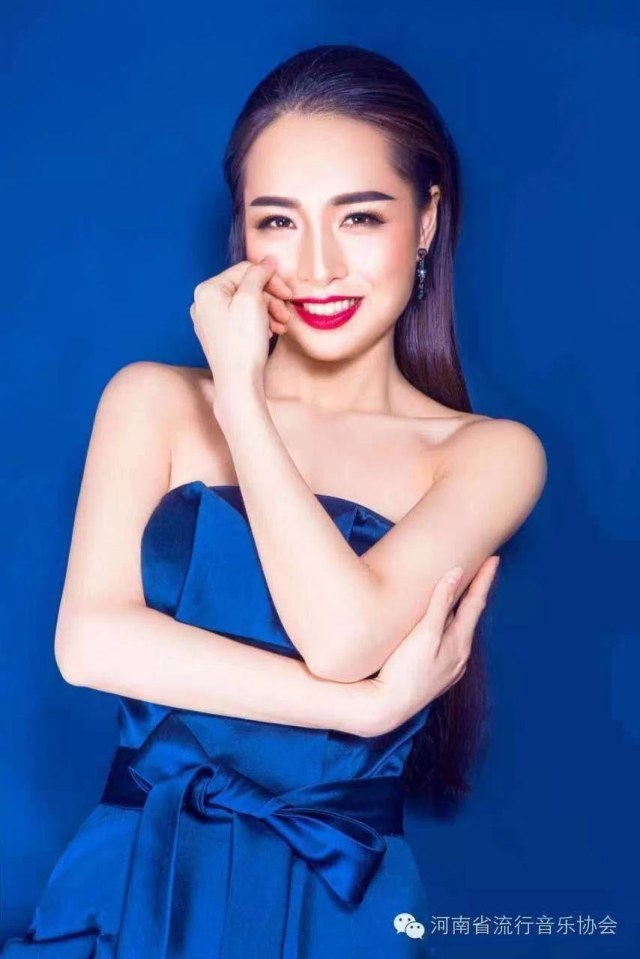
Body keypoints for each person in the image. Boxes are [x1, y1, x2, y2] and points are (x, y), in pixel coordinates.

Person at [2, 44, 546, 959]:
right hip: (135, 874)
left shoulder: (489, 454)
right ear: (244, 235)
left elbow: (342, 637)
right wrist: (362, 711)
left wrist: (245, 408)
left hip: (343, 903)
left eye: (360, 216)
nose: (319, 265)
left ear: (425, 221)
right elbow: (88, 642)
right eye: (279, 221)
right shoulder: (150, 400)